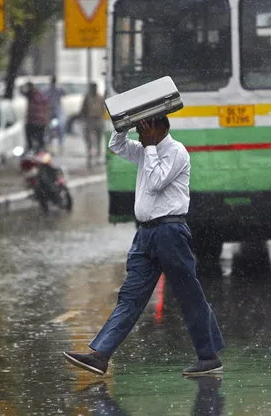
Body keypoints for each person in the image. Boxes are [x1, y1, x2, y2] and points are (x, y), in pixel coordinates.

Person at [63, 115, 225, 376]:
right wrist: (124, 126)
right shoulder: (145, 150)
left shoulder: (176, 152)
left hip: (170, 232)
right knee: (131, 296)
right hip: (146, 235)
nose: (140, 133)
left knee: (188, 294)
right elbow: (117, 146)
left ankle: (208, 356)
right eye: (140, 128)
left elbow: (157, 180)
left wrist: (149, 146)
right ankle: (100, 356)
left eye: (145, 128)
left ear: (160, 128)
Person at [80, 83, 106, 168]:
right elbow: (83, 109)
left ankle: (98, 157)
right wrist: (83, 119)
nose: (94, 89)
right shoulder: (87, 97)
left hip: (99, 119)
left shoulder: (100, 97)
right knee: (89, 140)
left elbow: (104, 108)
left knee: (99, 139)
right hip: (90, 120)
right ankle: (89, 157)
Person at [23, 82, 50, 151]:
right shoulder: (41, 95)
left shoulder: (31, 94)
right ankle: (41, 149)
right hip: (42, 122)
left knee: (28, 134)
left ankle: (30, 147)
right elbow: (47, 106)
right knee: (40, 138)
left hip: (33, 121)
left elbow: (23, 92)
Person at [44, 76, 66, 154]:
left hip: (57, 111)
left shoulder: (58, 89)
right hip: (50, 111)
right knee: (48, 129)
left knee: (60, 127)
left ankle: (61, 145)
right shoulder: (47, 90)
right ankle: (49, 145)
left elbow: (64, 93)